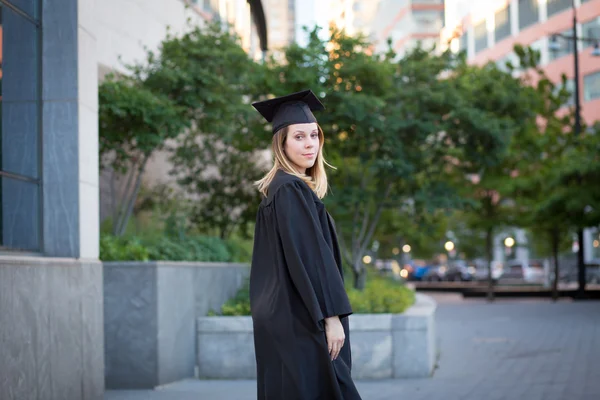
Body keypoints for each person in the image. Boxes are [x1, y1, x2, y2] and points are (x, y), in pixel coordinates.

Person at [249, 90, 363, 400]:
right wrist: (331, 317)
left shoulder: (278, 190)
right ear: (281, 144)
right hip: (303, 319)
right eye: (299, 137)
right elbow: (311, 258)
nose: (310, 143)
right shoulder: (289, 190)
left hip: (285, 316)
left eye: (314, 135)